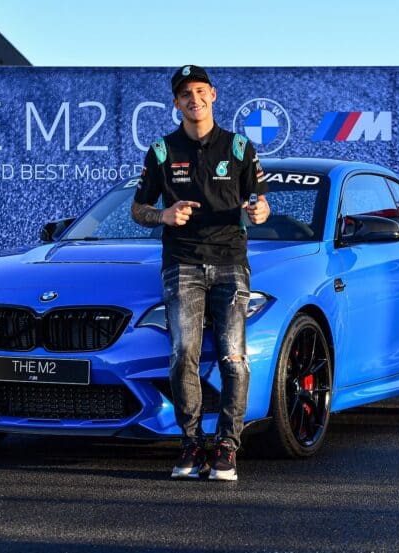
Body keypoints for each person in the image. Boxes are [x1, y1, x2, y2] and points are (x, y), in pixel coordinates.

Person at [130, 65, 270, 481]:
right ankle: (191, 442)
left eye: (200, 91)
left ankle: (227, 446)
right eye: (185, 94)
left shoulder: (240, 147)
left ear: (213, 94)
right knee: (182, 355)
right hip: (182, 264)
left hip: (231, 263)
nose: (194, 99)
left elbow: (260, 204)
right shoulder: (161, 151)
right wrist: (164, 215)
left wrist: (259, 212)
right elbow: (138, 209)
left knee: (233, 356)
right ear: (176, 103)